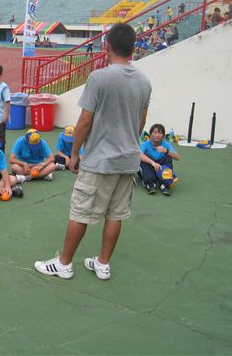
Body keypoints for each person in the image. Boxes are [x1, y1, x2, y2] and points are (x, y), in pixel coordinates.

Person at [34, 23, 151, 281]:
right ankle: (103, 263)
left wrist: (74, 153)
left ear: (107, 46)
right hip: (128, 159)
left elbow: (85, 120)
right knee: (116, 214)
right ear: (133, 48)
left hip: (100, 160)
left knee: (81, 211)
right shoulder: (144, 81)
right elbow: (141, 122)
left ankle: (64, 264)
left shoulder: (99, 77)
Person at [139, 124, 180, 195]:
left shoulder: (166, 144)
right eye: (155, 132)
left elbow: (178, 157)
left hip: (160, 168)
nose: (157, 135)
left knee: (168, 157)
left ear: (163, 136)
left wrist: (166, 151)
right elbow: (139, 155)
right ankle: (150, 183)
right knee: (142, 160)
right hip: (149, 167)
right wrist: (153, 163)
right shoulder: (145, 144)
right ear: (150, 134)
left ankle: (164, 184)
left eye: (160, 133)